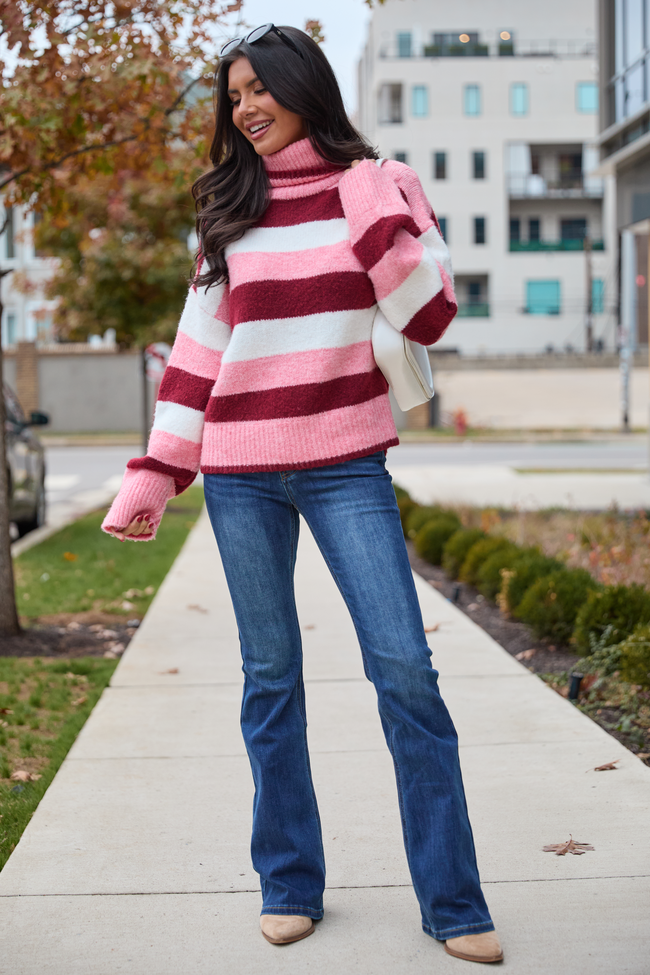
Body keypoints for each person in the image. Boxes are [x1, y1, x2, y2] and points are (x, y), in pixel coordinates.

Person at [102, 24, 503, 965]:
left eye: (258, 89)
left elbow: (429, 313)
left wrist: (369, 203)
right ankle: (289, 881)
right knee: (270, 677)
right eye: (232, 94)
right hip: (242, 472)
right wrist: (160, 469)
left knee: (405, 671)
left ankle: (454, 899)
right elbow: (200, 348)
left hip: (346, 464)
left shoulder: (382, 186)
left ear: (301, 86)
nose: (244, 108)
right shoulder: (229, 206)